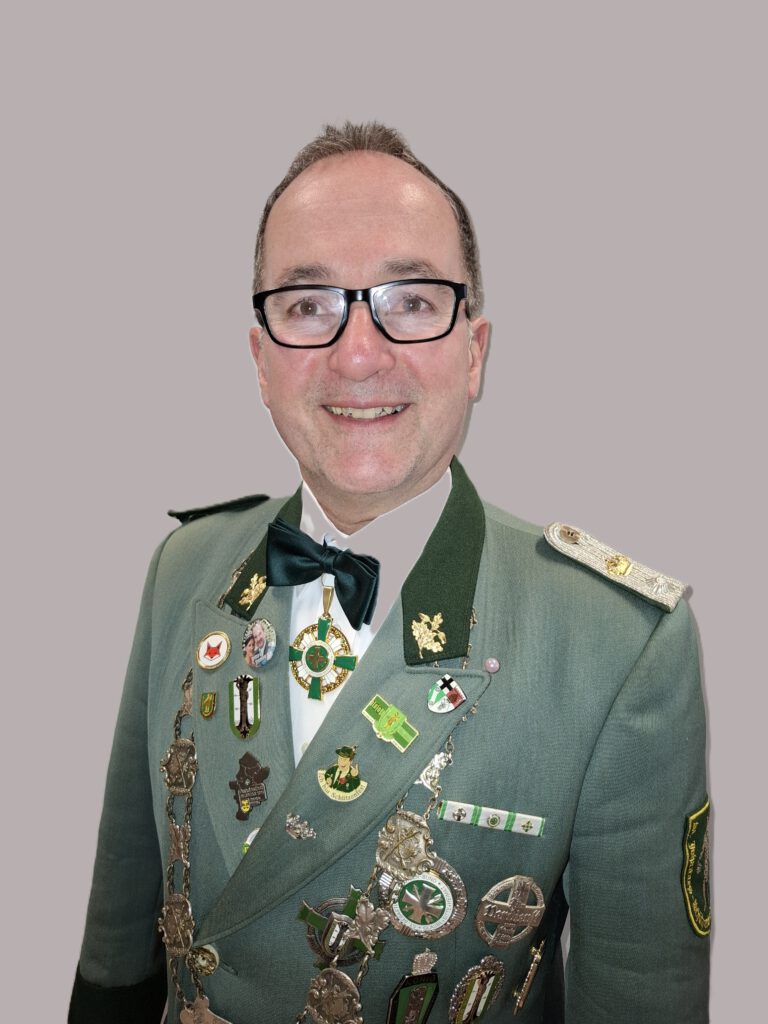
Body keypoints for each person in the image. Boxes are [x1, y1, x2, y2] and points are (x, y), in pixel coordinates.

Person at [70, 123, 710, 1024]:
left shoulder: (617, 646)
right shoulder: (185, 567)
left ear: (474, 352)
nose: (358, 354)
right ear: (261, 360)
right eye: (308, 305)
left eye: (410, 302)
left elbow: (641, 992)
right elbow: (120, 929)